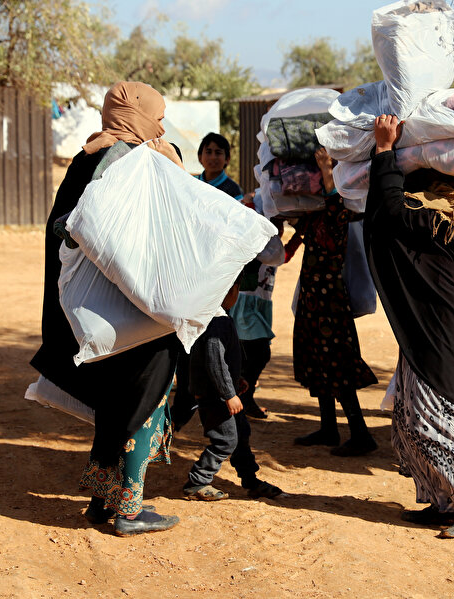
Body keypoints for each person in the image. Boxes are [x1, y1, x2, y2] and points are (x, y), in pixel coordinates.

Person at [31, 81, 183, 537]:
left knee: (115, 405)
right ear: (137, 114)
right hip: (136, 306)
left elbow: (63, 226)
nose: (161, 123)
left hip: (100, 310)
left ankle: (101, 501)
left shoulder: (88, 156)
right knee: (144, 401)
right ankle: (130, 511)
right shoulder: (130, 160)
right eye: (157, 114)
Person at [365, 115, 454, 538]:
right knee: (410, 419)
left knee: (437, 419)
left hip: (446, 339)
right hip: (432, 335)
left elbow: (391, 212)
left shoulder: (445, 216)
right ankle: (444, 499)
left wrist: (384, 151)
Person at [291, 147, 378, 457]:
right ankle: (328, 427)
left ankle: (361, 433)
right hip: (311, 300)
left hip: (330, 303)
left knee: (337, 364)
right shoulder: (310, 220)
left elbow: (334, 200)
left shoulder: (338, 214)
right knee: (315, 360)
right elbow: (286, 251)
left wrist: (328, 168)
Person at [180, 281, 284, 501]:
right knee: (225, 440)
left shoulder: (219, 318)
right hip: (215, 396)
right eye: (237, 289)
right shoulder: (215, 323)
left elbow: (224, 360)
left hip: (223, 393)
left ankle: (250, 480)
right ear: (227, 292)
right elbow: (214, 362)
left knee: (241, 436)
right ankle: (197, 481)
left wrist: (238, 380)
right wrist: (229, 394)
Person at [230, 216, 286, 419]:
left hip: (259, 302)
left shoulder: (273, 246)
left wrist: (297, 236)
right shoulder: (260, 243)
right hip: (246, 303)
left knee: (253, 354)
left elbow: (283, 257)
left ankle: (244, 399)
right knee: (258, 353)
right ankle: (241, 398)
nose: (280, 227)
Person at [196, 132, 242, 198]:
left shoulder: (234, 191)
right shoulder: (192, 183)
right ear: (200, 157)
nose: (213, 157)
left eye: (218, 153)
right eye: (208, 152)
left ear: (227, 159)